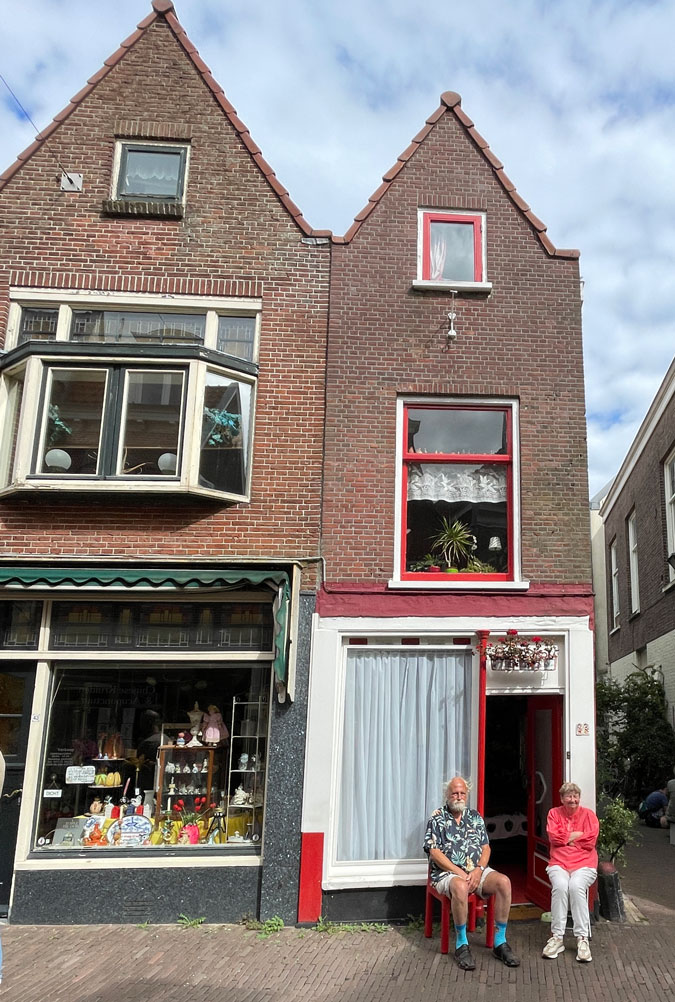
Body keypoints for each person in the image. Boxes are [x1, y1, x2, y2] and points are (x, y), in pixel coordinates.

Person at [424, 776, 520, 971]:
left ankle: (500, 942)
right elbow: (434, 852)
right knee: (460, 886)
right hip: (447, 873)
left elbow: (486, 847)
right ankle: (461, 944)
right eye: (454, 793)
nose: (459, 796)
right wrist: (459, 872)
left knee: (504, 882)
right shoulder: (437, 818)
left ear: (467, 795)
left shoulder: (475, 817)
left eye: (462, 793)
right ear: (447, 795)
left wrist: (479, 870)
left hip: (477, 870)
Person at [542, 781, 598, 963]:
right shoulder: (553, 813)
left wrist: (566, 839)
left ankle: (582, 938)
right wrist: (576, 836)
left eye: (575, 796)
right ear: (562, 798)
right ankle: (557, 937)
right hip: (559, 862)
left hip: (585, 864)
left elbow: (591, 841)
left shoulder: (589, 815)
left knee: (575, 886)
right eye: (569, 796)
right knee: (559, 886)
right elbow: (553, 837)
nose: (573, 800)